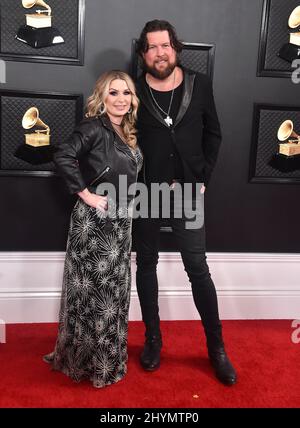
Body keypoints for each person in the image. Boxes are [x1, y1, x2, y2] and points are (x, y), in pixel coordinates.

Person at [133, 20, 237, 385]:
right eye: (152, 47)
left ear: (175, 48)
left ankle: (216, 348)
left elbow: (214, 134)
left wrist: (203, 179)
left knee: (197, 267)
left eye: (165, 46)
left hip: (188, 192)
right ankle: (153, 340)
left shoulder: (198, 83)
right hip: (146, 192)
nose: (159, 53)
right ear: (143, 53)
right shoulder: (132, 89)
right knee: (146, 264)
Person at [43, 70, 143, 388]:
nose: (121, 99)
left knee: (113, 292)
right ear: (102, 97)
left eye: (126, 93)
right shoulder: (94, 127)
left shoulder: (127, 131)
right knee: (95, 294)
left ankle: (105, 356)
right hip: (95, 224)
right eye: (113, 93)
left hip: (121, 223)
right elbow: (63, 155)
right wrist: (85, 194)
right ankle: (91, 363)